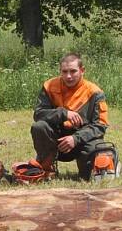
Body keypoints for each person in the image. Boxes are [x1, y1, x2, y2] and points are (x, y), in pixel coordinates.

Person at [25, 53, 109, 181]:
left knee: (91, 176)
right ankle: (47, 167)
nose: (68, 76)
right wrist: (64, 113)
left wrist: (75, 139)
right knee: (39, 126)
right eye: (64, 72)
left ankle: (87, 169)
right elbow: (39, 114)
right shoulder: (49, 86)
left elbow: (100, 126)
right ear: (60, 71)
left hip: (82, 141)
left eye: (73, 71)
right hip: (56, 141)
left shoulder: (95, 92)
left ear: (82, 71)